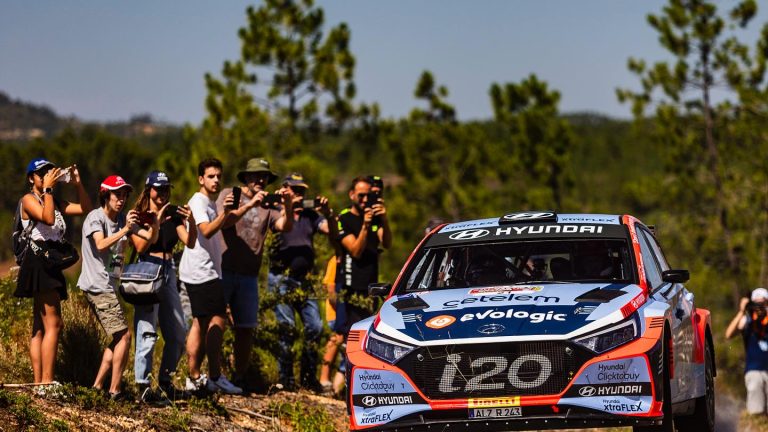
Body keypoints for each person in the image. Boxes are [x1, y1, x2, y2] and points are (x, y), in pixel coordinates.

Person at [215, 157, 293, 390]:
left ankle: (239, 377)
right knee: (216, 323)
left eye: (265, 176)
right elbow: (224, 221)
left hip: (249, 275)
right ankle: (213, 375)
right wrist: (249, 205)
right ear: (246, 177)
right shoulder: (230, 194)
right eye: (256, 175)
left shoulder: (269, 205)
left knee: (246, 328)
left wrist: (288, 205)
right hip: (224, 269)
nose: (261, 180)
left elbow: (285, 226)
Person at [15, 158, 92, 385]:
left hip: (49, 263)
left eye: (49, 172)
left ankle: (39, 383)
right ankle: (46, 383)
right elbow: (48, 219)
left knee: (40, 327)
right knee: (54, 324)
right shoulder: (28, 200)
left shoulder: (53, 201)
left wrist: (78, 184)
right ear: (31, 178)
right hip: (39, 263)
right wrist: (48, 190)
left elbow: (85, 208)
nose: (46, 176)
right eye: (41, 173)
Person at [130, 171, 197, 403]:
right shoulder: (139, 216)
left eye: (166, 189)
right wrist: (155, 223)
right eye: (158, 189)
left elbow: (190, 242)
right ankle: (143, 385)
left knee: (178, 332)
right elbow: (140, 247)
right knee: (147, 330)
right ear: (149, 190)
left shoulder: (174, 214)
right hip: (148, 268)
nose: (162, 194)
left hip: (169, 270)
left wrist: (191, 222)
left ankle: (166, 382)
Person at [267, 173, 336, 391]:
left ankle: (307, 376)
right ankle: (285, 377)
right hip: (281, 278)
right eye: (294, 190)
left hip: (305, 280)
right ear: (284, 189)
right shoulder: (274, 211)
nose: (299, 194)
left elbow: (331, 231)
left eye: (302, 191)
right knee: (287, 327)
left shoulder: (310, 215)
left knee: (315, 326)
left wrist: (328, 214)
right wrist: (283, 204)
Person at [179, 158, 242, 395]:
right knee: (207, 321)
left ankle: (205, 376)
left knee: (209, 320)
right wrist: (224, 213)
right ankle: (200, 376)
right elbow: (205, 230)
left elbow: (219, 224)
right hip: (200, 271)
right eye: (211, 176)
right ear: (200, 179)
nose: (216, 180)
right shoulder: (198, 201)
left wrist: (237, 209)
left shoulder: (210, 202)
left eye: (218, 176)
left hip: (209, 271)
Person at [78, 175, 140, 399]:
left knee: (117, 337)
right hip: (98, 285)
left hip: (110, 285)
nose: (121, 199)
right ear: (105, 195)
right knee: (125, 336)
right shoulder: (95, 217)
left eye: (124, 195)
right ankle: (115, 390)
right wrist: (125, 231)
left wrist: (153, 220)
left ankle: (97, 387)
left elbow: (145, 239)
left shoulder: (122, 218)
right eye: (117, 195)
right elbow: (101, 244)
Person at [336, 176, 392, 335]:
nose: (365, 199)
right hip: (351, 287)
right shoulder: (344, 218)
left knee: (369, 333)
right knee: (350, 333)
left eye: (368, 195)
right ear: (351, 194)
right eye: (361, 195)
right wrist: (365, 226)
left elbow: (387, 243)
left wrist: (384, 220)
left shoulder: (375, 218)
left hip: (370, 286)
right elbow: (355, 251)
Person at [726, 288, 768, 415]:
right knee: (756, 411)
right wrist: (741, 311)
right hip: (754, 370)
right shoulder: (747, 321)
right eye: (756, 303)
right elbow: (729, 334)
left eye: (763, 303)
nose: (759, 307)